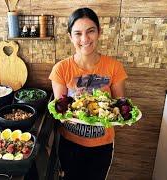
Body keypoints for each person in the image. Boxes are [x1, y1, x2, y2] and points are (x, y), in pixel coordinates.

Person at [49, 7, 128, 180]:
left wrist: (122, 115)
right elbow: (60, 110)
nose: (84, 39)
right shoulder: (61, 69)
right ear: (70, 36)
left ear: (99, 32)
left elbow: (121, 104)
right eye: (78, 33)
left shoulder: (114, 67)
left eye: (90, 31)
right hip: (69, 144)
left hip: (102, 145)